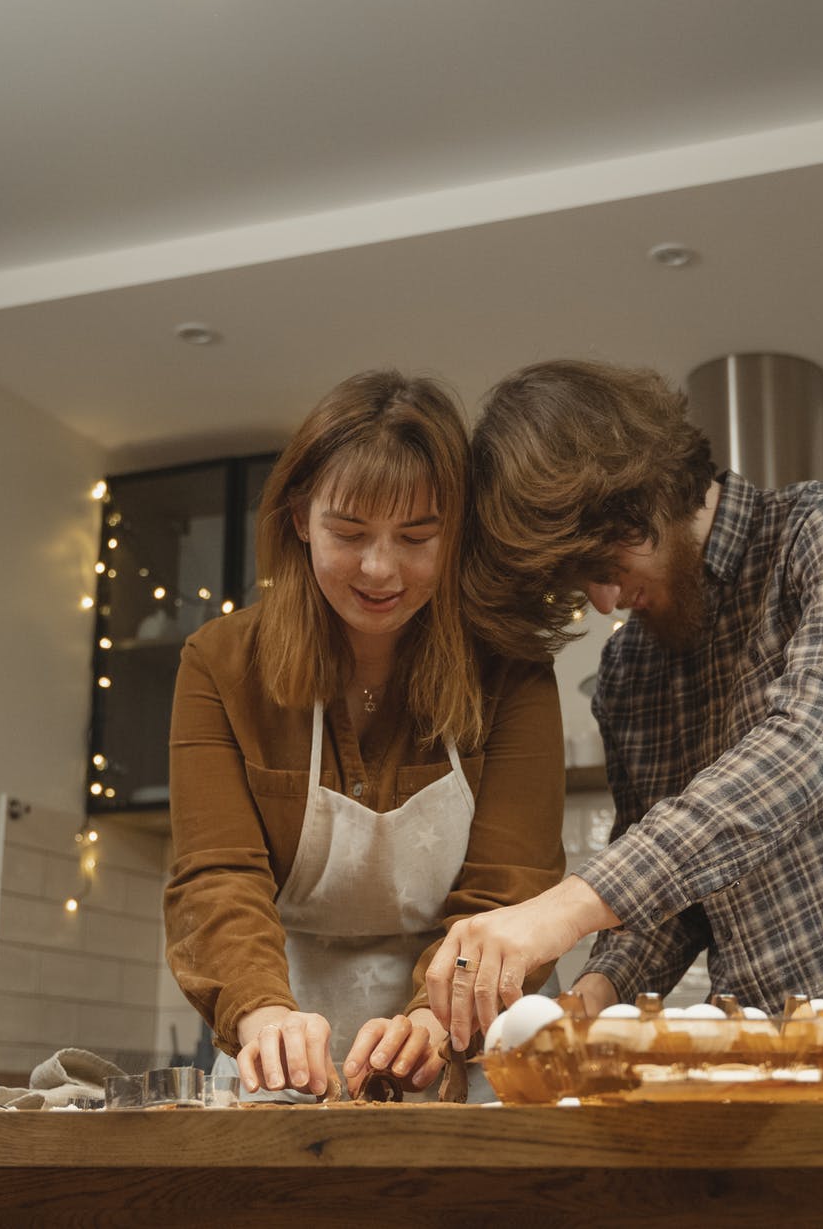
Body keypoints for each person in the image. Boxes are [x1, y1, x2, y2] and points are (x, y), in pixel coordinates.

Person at [427, 359, 823, 1051]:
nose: (604, 603)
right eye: (579, 583)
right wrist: (595, 992)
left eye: (606, 568)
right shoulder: (631, 672)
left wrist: (561, 908)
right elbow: (673, 900)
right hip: (774, 1056)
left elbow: (804, 752)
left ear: (644, 493)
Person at [164, 370, 566, 1099]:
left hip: (471, 1042)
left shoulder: (510, 670)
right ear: (298, 517)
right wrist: (263, 1014)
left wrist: (435, 1020)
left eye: (417, 536)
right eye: (349, 532)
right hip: (280, 1046)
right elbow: (217, 875)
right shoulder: (219, 665)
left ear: (458, 533)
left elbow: (510, 887)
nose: (381, 567)